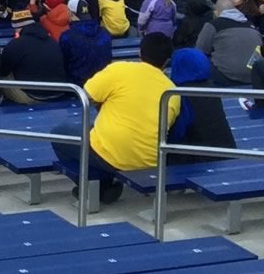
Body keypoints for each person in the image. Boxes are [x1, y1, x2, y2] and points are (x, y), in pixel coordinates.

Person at [55, 33, 179, 205]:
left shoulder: (119, 69)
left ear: (139, 53)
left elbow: (86, 95)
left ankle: (95, 186)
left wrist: (103, 103)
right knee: (92, 130)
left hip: (109, 152)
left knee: (59, 133)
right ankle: (104, 185)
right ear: (166, 61)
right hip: (149, 160)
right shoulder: (172, 90)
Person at [0, 18, 68, 103]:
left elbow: (3, 71)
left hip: (32, 95)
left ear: (19, 30)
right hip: (60, 92)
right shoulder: (53, 41)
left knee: (3, 74)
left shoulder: (16, 44)